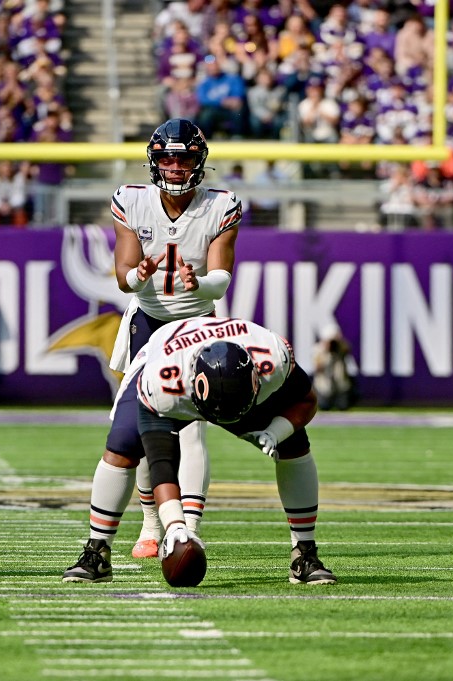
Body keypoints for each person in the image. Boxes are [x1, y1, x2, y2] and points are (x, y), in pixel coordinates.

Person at [64, 316, 337, 586]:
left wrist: (276, 432)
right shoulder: (163, 382)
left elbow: (307, 400)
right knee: (122, 447)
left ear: (256, 377)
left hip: (234, 387)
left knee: (294, 444)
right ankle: (97, 552)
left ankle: (305, 553)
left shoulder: (272, 357)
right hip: (169, 361)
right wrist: (175, 525)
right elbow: (162, 462)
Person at [106, 118, 241, 559]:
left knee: (192, 428)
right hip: (147, 323)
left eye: (184, 158)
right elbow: (123, 279)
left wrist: (194, 283)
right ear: (154, 161)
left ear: (199, 162)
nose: (176, 166)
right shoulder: (131, 201)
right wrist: (137, 273)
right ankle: (150, 525)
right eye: (167, 157)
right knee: (143, 429)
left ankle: (189, 529)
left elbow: (220, 279)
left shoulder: (221, 205)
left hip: (196, 325)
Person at [312, 323, 358, 412]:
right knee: (324, 406)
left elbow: (347, 349)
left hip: (340, 386)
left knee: (343, 406)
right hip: (324, 387)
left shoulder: (340, 347)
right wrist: (325, 350)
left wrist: (338, 342)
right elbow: (317, 367)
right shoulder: (318, 349)